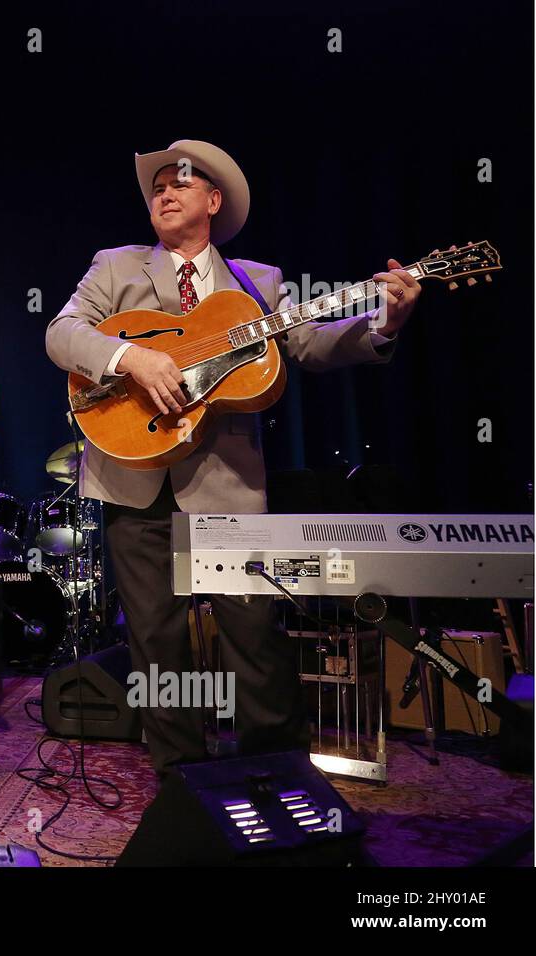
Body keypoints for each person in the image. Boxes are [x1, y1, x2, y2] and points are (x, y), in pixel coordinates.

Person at [45, 140, 421, 778]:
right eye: (157, 186)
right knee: (157, 649)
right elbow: (62, 332)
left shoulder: (259, 281)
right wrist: (131, 357)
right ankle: (179, 779)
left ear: (213, 201)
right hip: (132, 481)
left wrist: (383, 324)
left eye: (180, 184)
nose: (164, 193)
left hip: (228, 489)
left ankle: (275, 777)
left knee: (254, 641)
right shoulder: (114, 266)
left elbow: (311, 345)